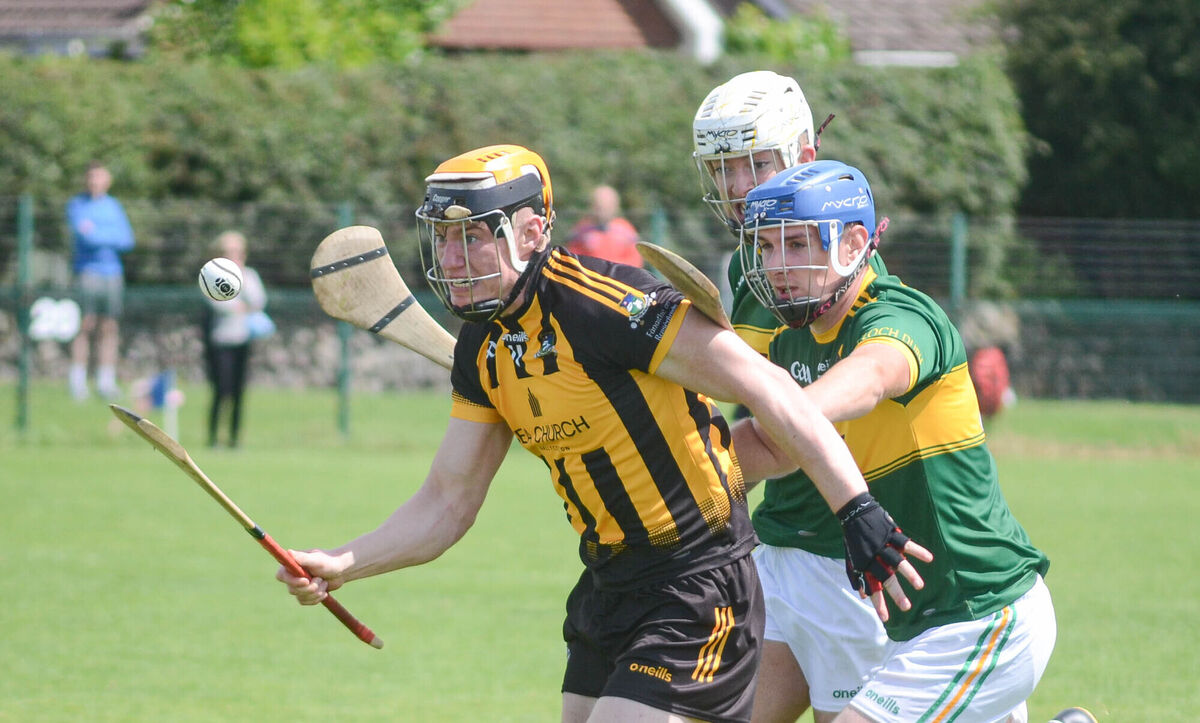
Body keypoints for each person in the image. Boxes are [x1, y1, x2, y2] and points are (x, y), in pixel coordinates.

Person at [275, 144, 930, 723]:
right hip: (606, 587)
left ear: (532, 231)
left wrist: (856, 507)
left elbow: (768, 387)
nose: (452, 256)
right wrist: (346, 563)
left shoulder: (611, 306)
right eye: (443, 238)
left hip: (698, 584)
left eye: (472, 235)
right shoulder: (484, 350)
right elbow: (447, 500)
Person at [732, 160, 1055, 723]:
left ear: (854, 242)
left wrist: (791, 411)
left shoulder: (903, 315)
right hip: (912, 627)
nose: (777, 267)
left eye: (796, 245)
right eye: (766, 249)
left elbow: (873, 375)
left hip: (981, 614)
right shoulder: (795, 339)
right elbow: (772, 447)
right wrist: (675, 467)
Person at [694, 71, 894, 723]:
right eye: (722, 168)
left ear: (805, 156)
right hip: (780, 544)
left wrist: (682, 483)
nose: (733, 186)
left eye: (751, 164)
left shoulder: (840, 272)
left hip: (850, 552)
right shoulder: (747, 267)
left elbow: (787, 422)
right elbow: (744, 396)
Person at [66, 161, 135, 401]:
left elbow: (126, 240)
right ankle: (77, 380)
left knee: (109, 326)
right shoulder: (77, 205)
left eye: (100, 177)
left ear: (107, 180)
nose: (95, 182)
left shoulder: (114, 206)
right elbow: (86, 238)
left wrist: (99, 234)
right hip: (87, 272)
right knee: (85, 324)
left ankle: (106, 380)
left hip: (112, 272)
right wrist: (107, 236)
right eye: (91, 177)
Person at [202, 231, 268, 448]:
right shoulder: (211, 275)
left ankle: (234, 438)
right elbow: (220, 304)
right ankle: (213, 438)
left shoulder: (249, 276)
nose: (234, 256)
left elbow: (258, 301)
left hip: (243, 339)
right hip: (221, 341)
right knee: (221, 390)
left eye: (238, 252)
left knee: (239, 392)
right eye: (228, 252)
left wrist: (239, 280)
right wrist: (240, 307)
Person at [566, 184, 643, 267]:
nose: (603, 210)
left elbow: (635, 260)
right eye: (599, 206)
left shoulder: (626, 230)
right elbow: (573, 259)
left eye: (607, 206)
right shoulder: (582, 230)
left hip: (619, 277)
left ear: (616, 206)